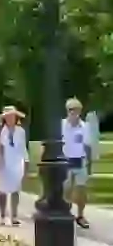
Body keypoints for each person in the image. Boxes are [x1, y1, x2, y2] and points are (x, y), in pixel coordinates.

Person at [0, 105, 28, 226]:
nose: (10, 119)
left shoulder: (21, 132)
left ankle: (14, 216)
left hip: (16, 162)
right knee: (2, 190)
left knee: (15, 190)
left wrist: (26, 162)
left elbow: (23, 148)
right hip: (2, 162)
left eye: (12, 116)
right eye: (7, 117)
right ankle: (3, 216)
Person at [63, 97, 94, 229]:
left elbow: (87, 146)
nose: (73, 113)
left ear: (80, 111)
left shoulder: (84, 127)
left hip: (80, 160)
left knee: (81, 191)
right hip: (65, 161)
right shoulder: (61, 125)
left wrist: (89, 163)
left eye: (75, 110)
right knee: (66, 190)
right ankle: (65, 214)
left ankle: (80, 216)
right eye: (70, 110)